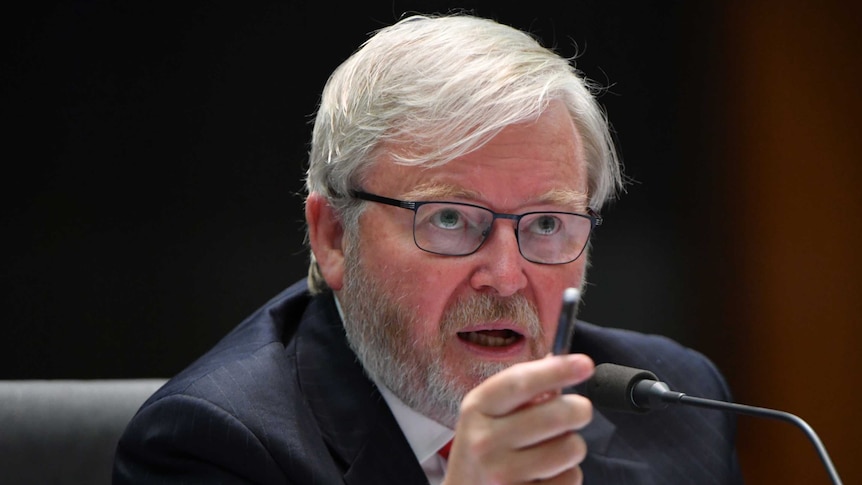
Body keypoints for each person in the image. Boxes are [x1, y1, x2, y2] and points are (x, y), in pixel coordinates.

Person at [114, 13, 742, 485]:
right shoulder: (213, 446)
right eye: (448, 218)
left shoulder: (671, 404)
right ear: (333, 236)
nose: (504, 276)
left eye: (547, 224)